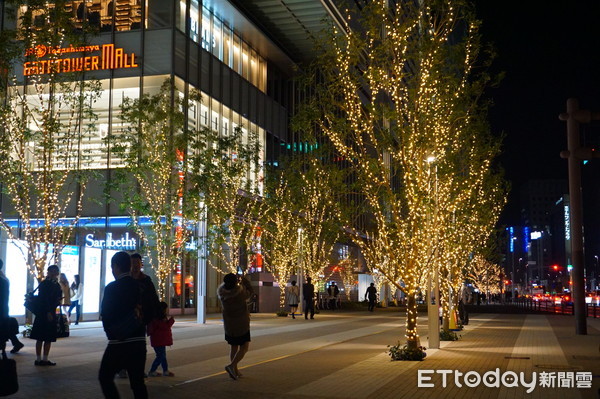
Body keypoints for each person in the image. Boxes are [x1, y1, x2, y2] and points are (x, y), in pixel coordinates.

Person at [98, 251, 148, 399]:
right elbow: (151, 309)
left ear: (116, 267)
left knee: (105, 377)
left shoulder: (112, 288)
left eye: (112, 267)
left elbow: (106, 314)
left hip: (118, 342)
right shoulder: (140, 286)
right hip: (138, 341)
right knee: (137, 382)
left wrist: (112, 332)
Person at [118, 253, 159, 379]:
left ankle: (138, 369)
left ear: (141, 264)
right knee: (125, 344)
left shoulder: (146, 280)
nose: (135, 266)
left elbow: (153, 299)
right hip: (126, 319)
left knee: (140, 346)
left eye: (137, 263)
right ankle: (123, 369)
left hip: (141, 319)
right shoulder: (124, 281)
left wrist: (156, 316)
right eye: (133, 263)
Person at [218, 273, 254, 380]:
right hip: (241, 324)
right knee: (244, 347)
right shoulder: (240, 293)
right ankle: (232, 366)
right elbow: (250, 292)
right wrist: (245, 281)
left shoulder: (222, 294)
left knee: (234, 347)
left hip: (229, 325)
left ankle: (235, 371)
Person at [30, 264, 62, 366]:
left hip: (48, 312)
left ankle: (43, 359)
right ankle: (40, 359)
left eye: (55, 271)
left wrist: (58, 302)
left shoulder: (55, 284)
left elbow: (54, 298)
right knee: (42, 337)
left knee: (46, 337)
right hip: (45, 312)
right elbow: (43, 299)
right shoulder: (46, 284)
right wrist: (48, 311)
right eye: (51, 271)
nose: (54, 273)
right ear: (49, 272)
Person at [1, 259, 25, 354]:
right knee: (5, 327)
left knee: (3, 328)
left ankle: (15, 344)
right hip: (3, 308)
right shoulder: (4, 278)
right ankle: (16, 343)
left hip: (1, 308)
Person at [147, 301, 175, 377]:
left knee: (162, 356)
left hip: (158, 340)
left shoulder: (157, 317)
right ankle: (152, 371)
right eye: (166, 309)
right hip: (159, 340)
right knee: (160, 356)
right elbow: (165, 327)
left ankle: (165, 370)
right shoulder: (158, 318)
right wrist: (171, 321)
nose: (166, 310)